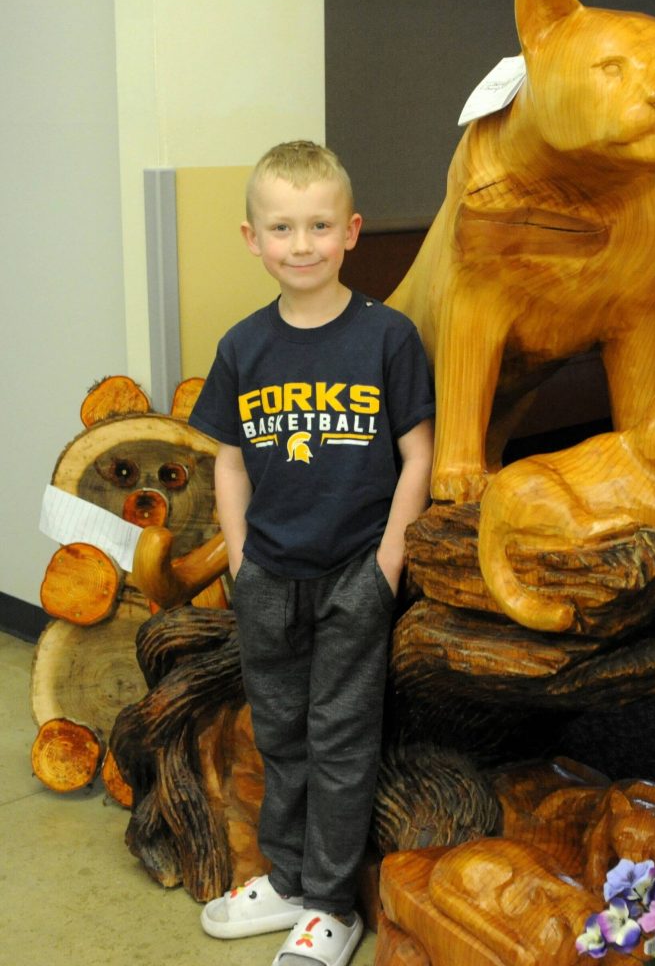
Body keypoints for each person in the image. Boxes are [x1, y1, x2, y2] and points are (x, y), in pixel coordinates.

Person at [189, 140, 434, 966]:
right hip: (268, 578)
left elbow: (418, 455)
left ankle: (332, 904)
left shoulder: (387, 339)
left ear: (352, 231)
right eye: (283, 227)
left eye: (320, 225)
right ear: (252, 239)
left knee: (339, 740)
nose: (302, 244)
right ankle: (288, 879)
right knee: (282, 733)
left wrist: (386, 570)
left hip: (352, 577)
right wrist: (238, 560)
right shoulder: (242, 347)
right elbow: (226, 457)